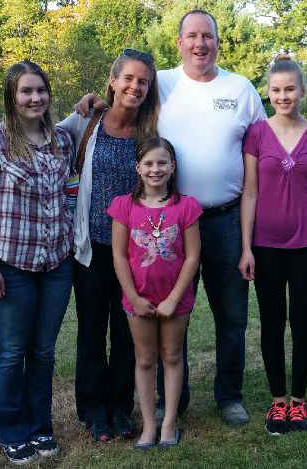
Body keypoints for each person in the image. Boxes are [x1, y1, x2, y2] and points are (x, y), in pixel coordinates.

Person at [78, 8, 266, 426]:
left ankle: (229, 395)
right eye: (192, 36)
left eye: (208, 36)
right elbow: (122, 92)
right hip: (161, 222)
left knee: (232, 314)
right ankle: (169, 401)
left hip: (223, 221)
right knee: (163, 309)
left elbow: (263, 148)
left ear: (218, 41)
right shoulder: (160, 82)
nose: (201, 44)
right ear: (179, 42)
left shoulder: (241, 89)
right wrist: (91, 102)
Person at [0, 61, 74, 465]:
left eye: (41, 90)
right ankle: (12, 432)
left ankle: (40, 428)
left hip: (56, 265)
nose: (35, 98)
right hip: (10, 265)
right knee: (12, 351)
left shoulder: (61, 139)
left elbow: (85, 117)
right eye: (26, 91)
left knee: (43, 352)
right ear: (12, 97)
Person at [58, 49, 159, 442]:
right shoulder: (85, 121)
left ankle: (120, 407)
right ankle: (93, 409)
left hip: (134, 253)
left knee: (127, 331)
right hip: (91, 248)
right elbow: (38, 129)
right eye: (129, 79)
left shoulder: (149, 132)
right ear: (113, 81)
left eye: (143, 82)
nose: (135, 87)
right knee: (92, 328)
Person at [239, 56, 307, 435]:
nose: (284, 96)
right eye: (277, 90)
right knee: (271, 323)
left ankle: (298, 402)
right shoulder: (256, 135)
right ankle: (277, 402)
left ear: (302, 91)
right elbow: (249, 193)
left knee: (303, 323)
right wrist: (246, 247)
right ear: (268, 92)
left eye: (290, 89)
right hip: (265, 246)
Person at [108, 137, 201, 449]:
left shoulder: (186, 206)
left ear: (172, 167)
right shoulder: (124, 206)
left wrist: (174, 297)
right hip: (139, 299)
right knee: (146, 358)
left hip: (176, 298)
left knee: (172, 356)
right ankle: (149, 424)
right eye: (148, 163)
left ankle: (170, 423)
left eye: (162, 162)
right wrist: (133, 297)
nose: (155, 169)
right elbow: (119, 255)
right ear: (137, 168)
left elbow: (192, 256)